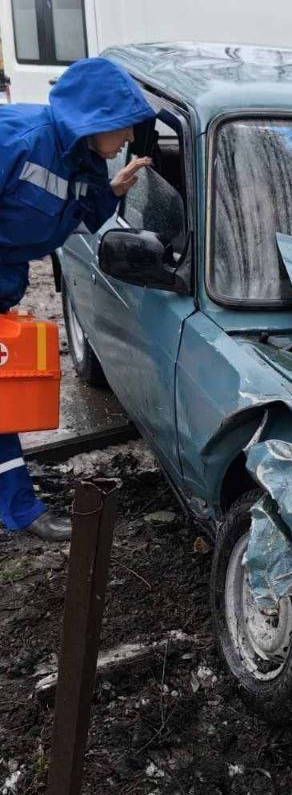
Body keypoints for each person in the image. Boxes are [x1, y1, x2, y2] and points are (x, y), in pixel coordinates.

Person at [0, 56, 154, 541]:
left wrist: (112, 191)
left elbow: (77, 217)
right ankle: (22, 511)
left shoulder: (84, 158)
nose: (128, 138)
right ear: (97, 118)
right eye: (125, 127)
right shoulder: (18, 141)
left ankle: (19, 509)